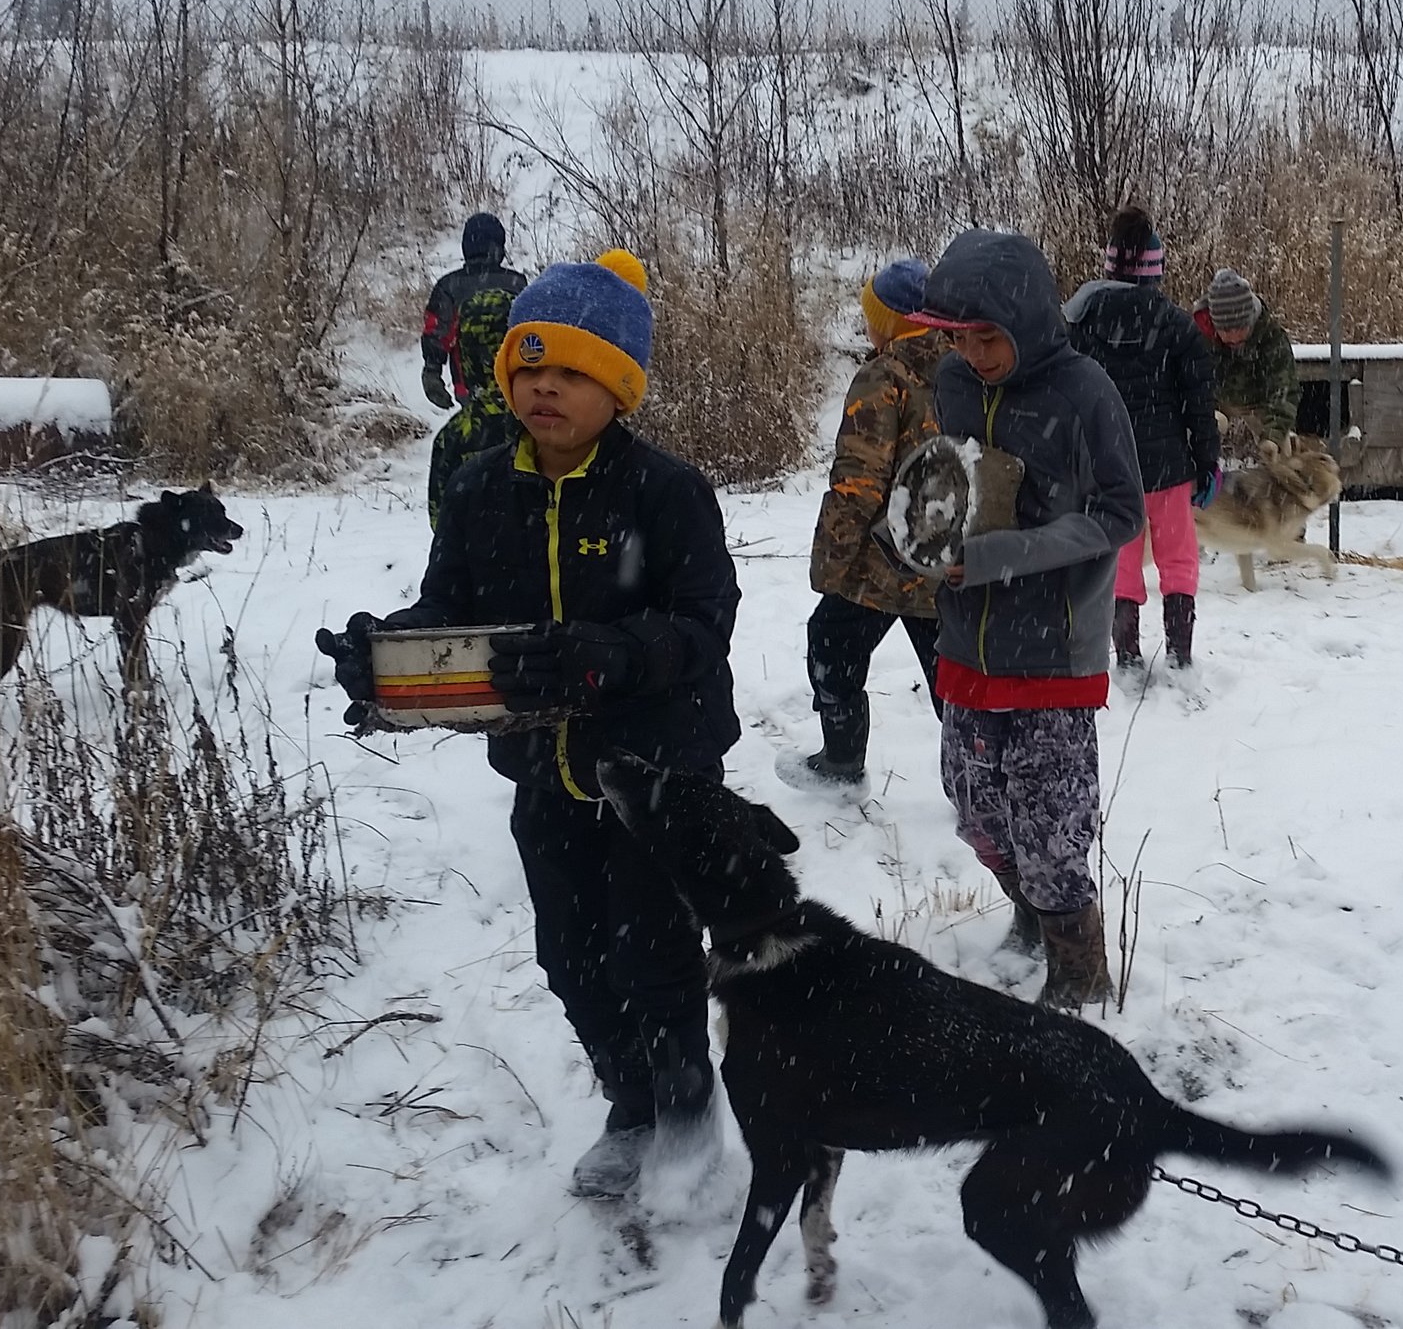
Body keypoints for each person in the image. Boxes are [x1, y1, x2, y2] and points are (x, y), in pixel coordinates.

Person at [319, 249, 742, 1197]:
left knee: (654, 948)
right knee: (570, 952)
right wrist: (386, 656)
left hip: (655, 767)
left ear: (619, 388)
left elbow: (705, 621)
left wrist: (616, 655)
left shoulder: (664, 492)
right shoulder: (478, 491)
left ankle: (683, 1107)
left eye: (573, 373)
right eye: (528, 369)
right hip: (542, 771)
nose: (544, 387)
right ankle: (629, 1103)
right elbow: (448, 614)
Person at [905, 228, 1145, 1009]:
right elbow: (950, 476)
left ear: (1028, 321)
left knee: (1049, 830)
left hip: (1052, 652)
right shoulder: (952, 382)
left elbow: (1119, 514)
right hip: (965, 643)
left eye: (988, 337)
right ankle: (1032, 914)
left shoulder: (1084, 393)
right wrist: (919, 531)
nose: (974, 354)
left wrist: (1002, 554)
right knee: (976, 811)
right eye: (961, 339)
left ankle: (1078, 972)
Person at [781, 258, 946, 791]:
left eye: (871, 316)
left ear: (891, 320)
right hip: (950, 558)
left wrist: (831, 559)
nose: (867, 326)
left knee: (831, 644)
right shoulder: (963, 366)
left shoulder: (884, 375)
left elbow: (859, 480)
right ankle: (977, 780)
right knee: (956, 675)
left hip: (884, 559)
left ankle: (841, 761)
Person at [1064, 206, 1219, 676]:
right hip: (1170, 467)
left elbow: (1070, 399)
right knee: (1178, 559)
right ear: (1156, 271)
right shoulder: (1176, 327)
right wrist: (1206, 463)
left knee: (1123, 564)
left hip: (1111, 470)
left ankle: (1127, 658)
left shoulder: (1081, 322)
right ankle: (1180, 654)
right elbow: (1199, 405)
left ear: (1109, 266)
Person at [422, 212, 531, 525]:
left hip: (471, 394)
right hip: (518, 396)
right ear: (500, 246)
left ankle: (477, 521)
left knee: (470, 457)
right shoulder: (516, 283)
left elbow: (435, 332)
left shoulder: (450, 286)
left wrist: (432, 373)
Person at [1193, 268, 1301, 454]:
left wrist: (1273, 436)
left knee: (1283, 449)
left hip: (1260, 399)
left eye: (1241, 328)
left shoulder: (1271, 336)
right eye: (1226, 330)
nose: (1234, 337)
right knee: (1203, 434)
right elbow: (1191, 383)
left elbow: (1284, 390)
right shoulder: (1199, 336)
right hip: (1217, 399)